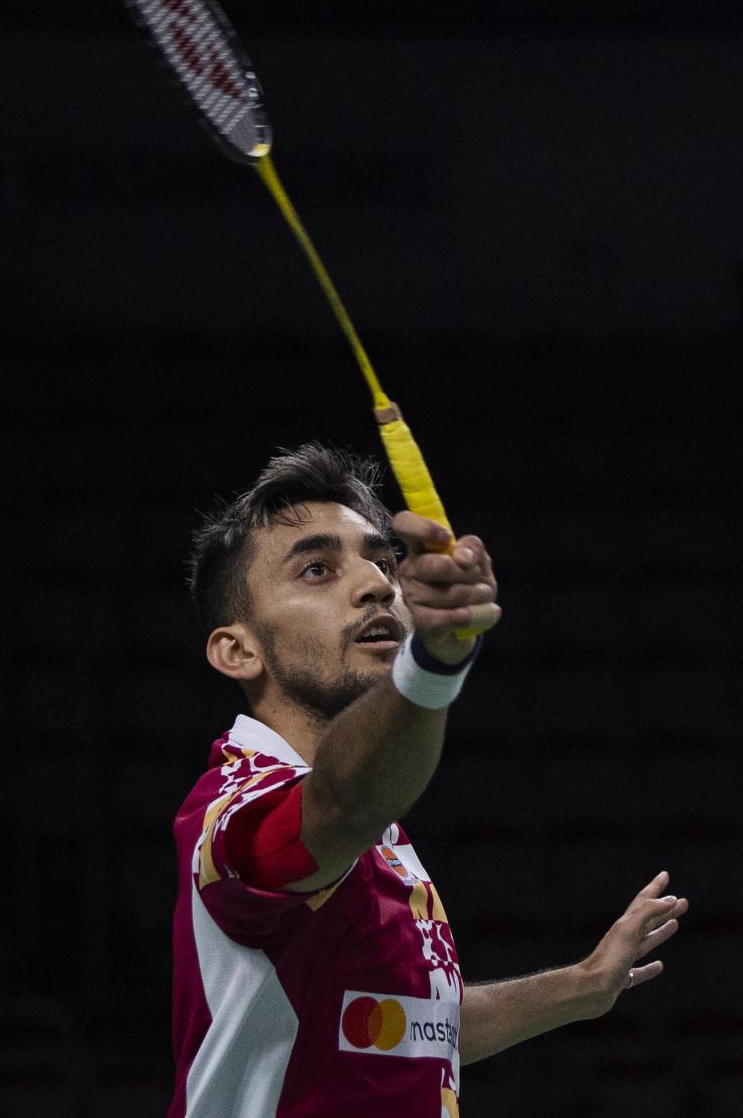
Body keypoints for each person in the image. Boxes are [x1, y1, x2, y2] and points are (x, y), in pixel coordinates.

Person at [170, 442, 687, 1118]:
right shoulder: (234, 817)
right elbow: (340, 804)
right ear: (238, 649)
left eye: (383, 563)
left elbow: (401, 1024)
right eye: (317, 569)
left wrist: (584, 985)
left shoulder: (377, 836)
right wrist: (434, 662)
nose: (376, 585)